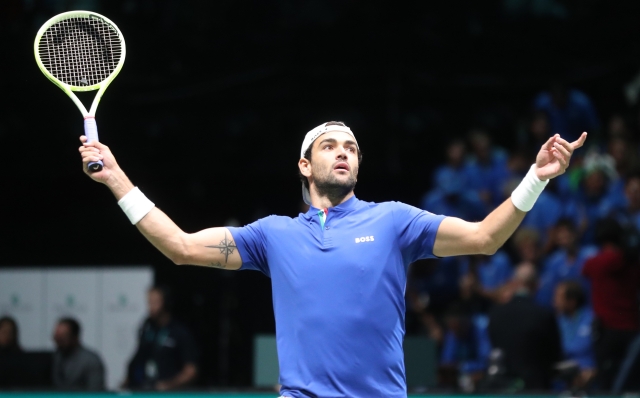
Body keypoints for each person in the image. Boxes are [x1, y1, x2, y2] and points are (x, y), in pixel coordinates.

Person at [78, 120, 586, 397]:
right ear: (305, 164)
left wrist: (536, 178)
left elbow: (484, 238)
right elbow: (181, 247)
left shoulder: (393, 221)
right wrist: (116, 177)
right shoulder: (271, 235)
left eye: (352, 147)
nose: (343, 152)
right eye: (329, 145)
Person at [582, 218, 640, 391]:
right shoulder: (633, 262)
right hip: (632, 330)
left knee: (607, 385)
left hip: (608, 332)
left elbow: (585, 269)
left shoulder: (600, 262)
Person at [488, 263, 562, 390]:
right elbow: (555, 355)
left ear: (514, 283)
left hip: (503, 387)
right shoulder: (543, 315)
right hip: (536, 387)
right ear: (536, 285)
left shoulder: (496, 314)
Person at [124, 285, 198, 391]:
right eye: (149, 302)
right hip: (146, 390)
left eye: (155, 302)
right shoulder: (146, 328)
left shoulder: (180, 332)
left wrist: (169, 385)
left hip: (170, 392)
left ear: (166, 303)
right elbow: (137, 360)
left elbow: (191, 371)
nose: (151, 307)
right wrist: (127, 382)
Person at [553, 281, 596, 389]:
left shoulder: (592, 319)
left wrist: (594, 370)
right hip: (562, 378)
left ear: (572, 301)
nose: (555, 302)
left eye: (559, 297)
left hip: (589, 378)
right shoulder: (556, 322)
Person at [52, 318, 105, 391]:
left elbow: (95, 392)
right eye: (56, 338)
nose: (58, 342)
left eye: (62, 338)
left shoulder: (90, 360)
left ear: (74, 337)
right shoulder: (54, 358)